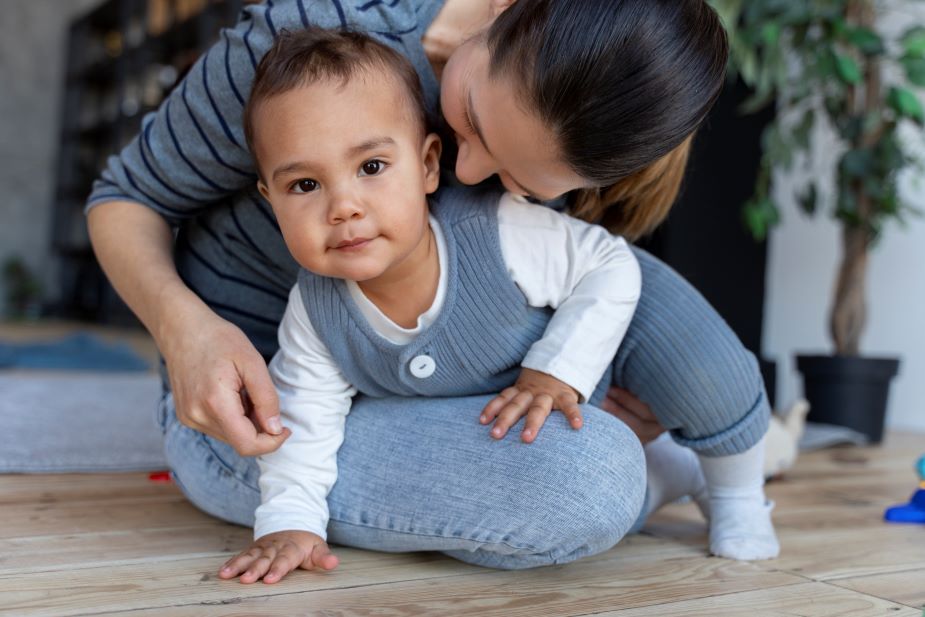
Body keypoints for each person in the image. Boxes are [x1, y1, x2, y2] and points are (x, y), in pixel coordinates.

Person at [86, 0, 775, 570]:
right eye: (471, 120)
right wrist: (188, 333)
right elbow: (125, 195)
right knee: (588, 478)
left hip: (457, 380)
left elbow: (583, 279)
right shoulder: (304, 44)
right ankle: (649, 479)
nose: (467, 175)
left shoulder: (582, 138)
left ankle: (708, 456)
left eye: (517, 181)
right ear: (505, 12)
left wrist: (580, 373)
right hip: (267, 410)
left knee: (647, 321)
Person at [221, 26, 653, 583]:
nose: (343, 207)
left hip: (556, 407)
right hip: (467, 434)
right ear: (270, 201)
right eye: (304, 185)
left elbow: (611, 266)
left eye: (371, 168)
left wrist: (555, 373)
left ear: (428, 165)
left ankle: (685, 471)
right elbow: (306, 417)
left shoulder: (494, 231)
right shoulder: (315, 309)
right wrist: (290, 520)